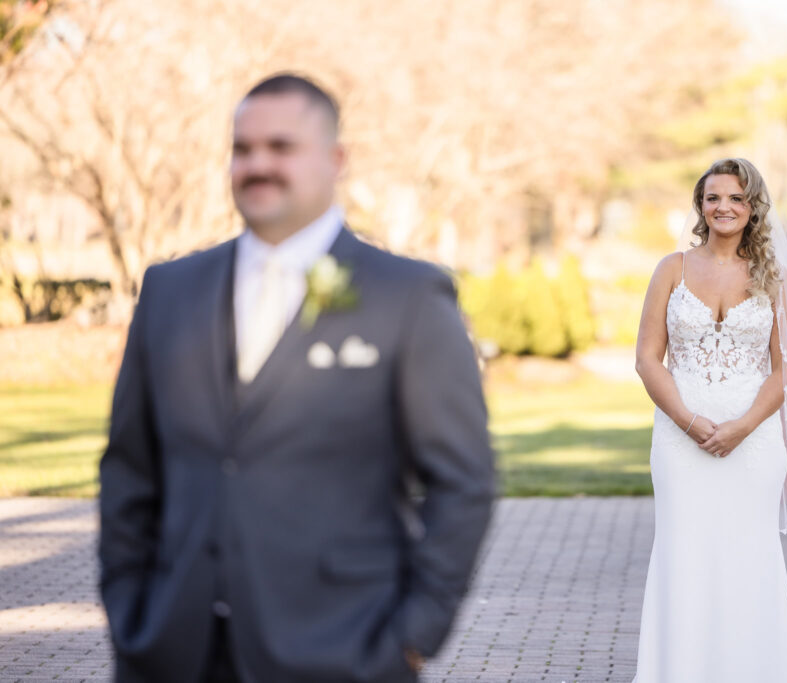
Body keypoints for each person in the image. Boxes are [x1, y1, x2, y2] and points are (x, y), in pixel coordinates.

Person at [98, 73, 495, 683]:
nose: (258, 165)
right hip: (172, 652)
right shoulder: (169, 291)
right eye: (243, 149)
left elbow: (462, 481)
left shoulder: (408, 296)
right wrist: (128, 611)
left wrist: (411, 638)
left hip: (343, 650)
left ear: (336, 160)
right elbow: (130, 467)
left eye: (281, 147)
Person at [632, 158, 787, 681]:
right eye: (713, 197)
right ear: (700, 205)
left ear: (753, 206)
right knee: (682, 556)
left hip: (753, 445)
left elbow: (785, 371)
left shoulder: (774, 278)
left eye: (735, 198)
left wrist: (742, 426)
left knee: (748, 560)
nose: (724, 207)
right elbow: (648, 359)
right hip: (678, 438)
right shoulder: (672, 268)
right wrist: (689, 422)